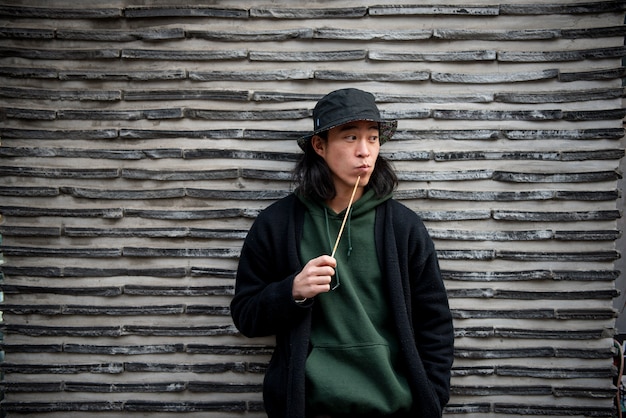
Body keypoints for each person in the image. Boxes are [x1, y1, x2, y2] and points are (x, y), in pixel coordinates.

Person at [230, 88, 454, 418]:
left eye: (373, 138)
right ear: (320, 146)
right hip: (309, 407)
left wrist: (431, 396)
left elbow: (435, 324)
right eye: (350, 137)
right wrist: (291, 291)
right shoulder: (277, 224)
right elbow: (246, 315)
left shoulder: (404, 228)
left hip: (395, 406)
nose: (364, 151)